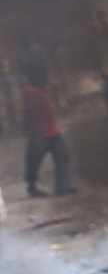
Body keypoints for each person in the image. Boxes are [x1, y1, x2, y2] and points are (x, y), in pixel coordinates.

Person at [21, 61, 75, 197]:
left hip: (51, 130)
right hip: (40, 132)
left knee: (62, 156)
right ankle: (32, 187)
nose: (46, 77)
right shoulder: (30, 92)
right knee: (34, 160)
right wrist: (32, 132)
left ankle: (63, 187)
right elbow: (28, 113)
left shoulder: (38, 90)